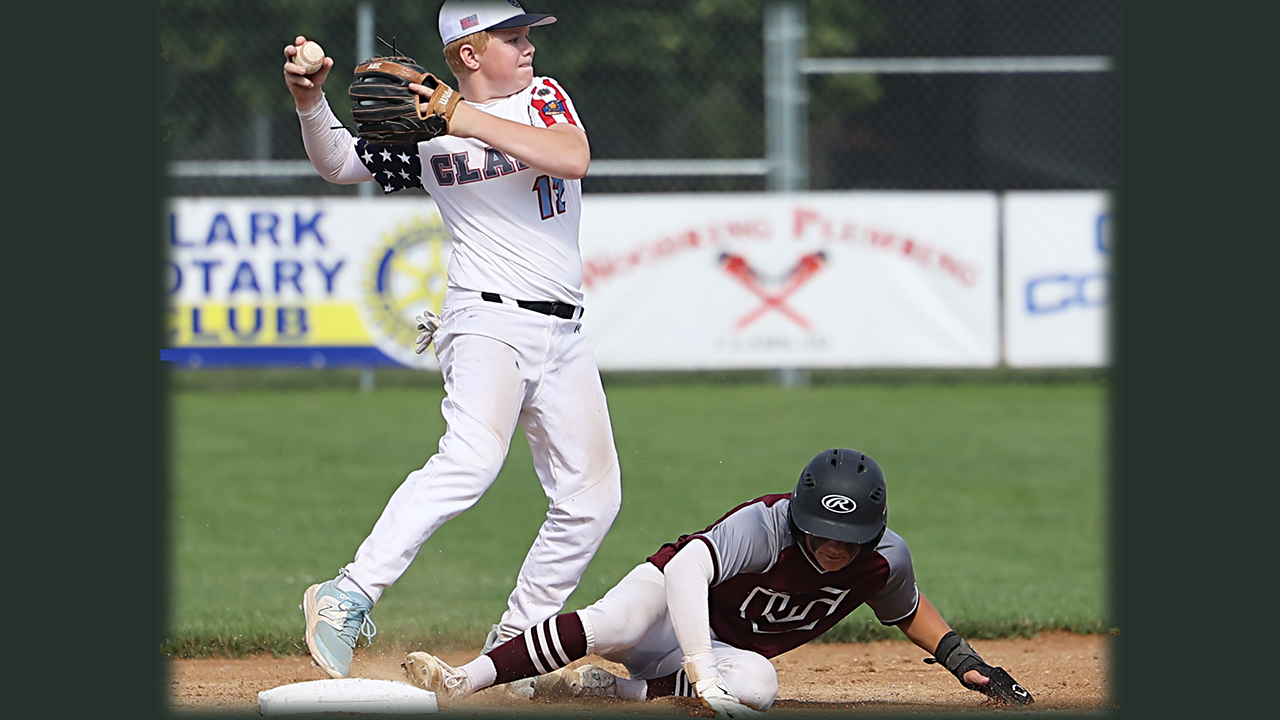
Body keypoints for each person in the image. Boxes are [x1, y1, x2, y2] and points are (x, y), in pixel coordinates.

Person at [281, 0, 623, 679]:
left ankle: (514, 648)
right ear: (469, 53)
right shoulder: (426, 138)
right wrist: (310, 102)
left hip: (563, 332)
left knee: (593, 497)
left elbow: (572, 157)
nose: (529, 49)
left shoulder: (543, 99)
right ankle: (348, 593)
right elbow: (341, 163)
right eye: (513, 38)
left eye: (528, 37)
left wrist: (455, 115)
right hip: (485, 319)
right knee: (470, 459)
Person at [401, 448, 1035, 716]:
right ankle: (468, 678)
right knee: (611, 623)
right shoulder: (767, 524)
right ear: (801, 518)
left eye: (850, 538)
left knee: (759, 684)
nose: (835, 548)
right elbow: (684, 568)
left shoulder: (883, 560)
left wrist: (966, 664)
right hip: (664, 610)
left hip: (711, 652)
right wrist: (701, 668)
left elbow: (908, 609)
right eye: (822, 532)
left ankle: (610, 694)